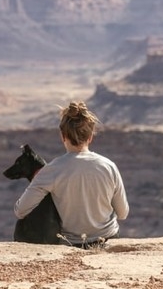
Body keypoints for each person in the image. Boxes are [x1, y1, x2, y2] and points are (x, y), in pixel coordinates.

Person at [14, 101, 129, 247]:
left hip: (72, 244)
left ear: (63, 136)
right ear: (90, 137)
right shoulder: (109, 166)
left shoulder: (52, 170)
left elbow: (20, 211)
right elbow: (123, 213)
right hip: (108, 239)